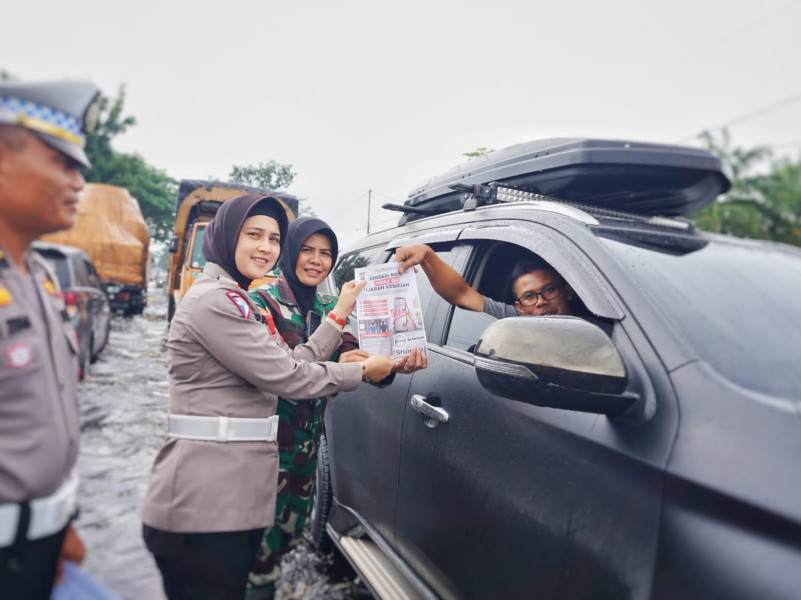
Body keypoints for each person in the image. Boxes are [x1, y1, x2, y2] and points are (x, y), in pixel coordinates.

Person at [141, 196, 394, 600]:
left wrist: (372, 350)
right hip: (207, 501)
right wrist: (361, 370)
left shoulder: (236, 298)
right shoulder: (222, 302)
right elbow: (289, 376)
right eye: (254, 235)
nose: (266, 247)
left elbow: (294, 359)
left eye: (273, 238)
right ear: (226, 237)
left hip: (235, 493)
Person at [246, 217, 426, 599]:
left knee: (284, 547)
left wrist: (394, 364)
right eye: (307, 250)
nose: (316, 260)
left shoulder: (329, 303)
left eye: (325, 253)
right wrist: (343, 322)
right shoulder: (262, 303)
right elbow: (289, 373)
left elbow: (358, 360)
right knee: (252, 559)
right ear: (289, 252)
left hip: (306, 457)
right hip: (262, 458)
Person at [0, 79, 99, 600]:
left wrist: (60, 525)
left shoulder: (35, 273)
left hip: (38, 547)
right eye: (62, 163)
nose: (79, 181)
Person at [394, 244, 574, 318]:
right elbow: (461, 294)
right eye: (529, 296)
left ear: (567, 292)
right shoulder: (515, 319)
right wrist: (427, 254)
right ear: (519, 307)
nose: (541, 302)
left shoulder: (597, 331)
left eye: (549, 290)